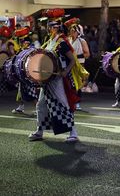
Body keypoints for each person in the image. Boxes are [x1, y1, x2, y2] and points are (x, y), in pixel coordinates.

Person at [28, 12, 80, 142]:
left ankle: (73, 132)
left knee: (63, 103)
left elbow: (72, 60)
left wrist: (65, 72)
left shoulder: (62, 42)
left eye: (51, 26)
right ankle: (39, 131)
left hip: (57, 80)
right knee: (41, 105)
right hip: (47, 80)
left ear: (57, 27)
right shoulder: (49, 41)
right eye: (48, 25)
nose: (48, 28)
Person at [11, 27, 39, 114]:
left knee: (31, 93)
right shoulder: (24, 47)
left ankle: (38, 109)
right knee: (21, 91)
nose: (21, 42)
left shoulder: (30, 47)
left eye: (21, 40)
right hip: (22, 73)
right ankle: (21, 107)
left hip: (28, 73)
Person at [65, 18, 90, 110]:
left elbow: (87, 54)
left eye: (74, 31)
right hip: (69, 65)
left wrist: (75, 56)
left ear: (78, 32)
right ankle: (70, 101)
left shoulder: (82, 41)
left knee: (78, 84)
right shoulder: (68, 40)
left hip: (79, 64)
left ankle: (78, 102)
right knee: (69, 84)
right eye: (71, 31)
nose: (72, 32)